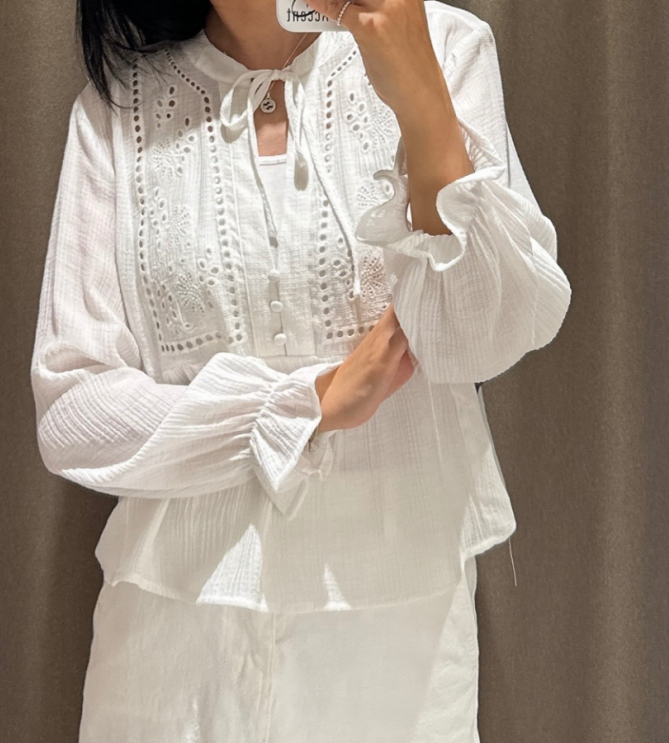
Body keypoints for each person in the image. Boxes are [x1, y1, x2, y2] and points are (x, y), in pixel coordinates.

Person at [30, 0, 572, 740]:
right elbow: (73, 407)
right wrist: (300, 405)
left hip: (395, 642)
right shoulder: (117, 108)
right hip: (171, 646)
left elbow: (487, 335)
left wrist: (420, 103)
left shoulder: (445, 46)